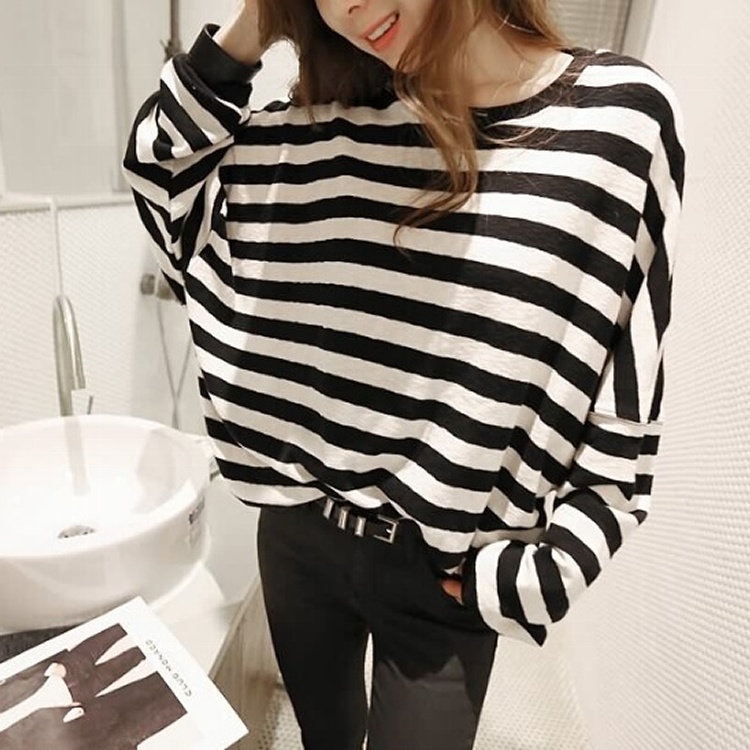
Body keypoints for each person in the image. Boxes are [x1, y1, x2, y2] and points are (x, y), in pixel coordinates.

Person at [123, 1, 685, 747]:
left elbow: (625, 402)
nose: (346, 5)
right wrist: (260, 18)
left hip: (446, 568)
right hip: (297, 534)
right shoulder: (315, 135)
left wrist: (539, 577)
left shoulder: (615, 125)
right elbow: (162, 180)